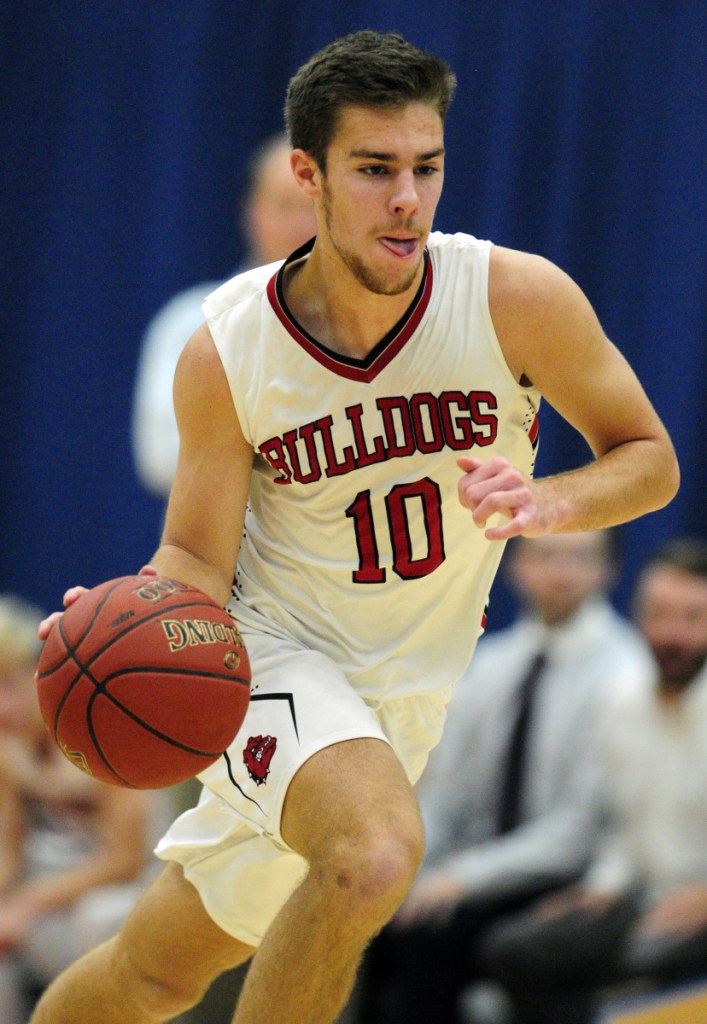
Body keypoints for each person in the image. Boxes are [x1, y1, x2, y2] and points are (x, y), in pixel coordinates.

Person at [30, 29, 678, 1024]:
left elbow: (648, 457)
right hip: (273, 662)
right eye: (374, 170)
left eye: (425, 167)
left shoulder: (515, 298)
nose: (406, 200)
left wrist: (554, 502)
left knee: (156, 970)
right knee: (374, 852)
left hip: (401, 701)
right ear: (310, 174)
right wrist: (131, 614)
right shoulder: (228, 346)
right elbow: (198, 552)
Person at [357, 530, 653, 1024]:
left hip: (568, 875)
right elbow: (450, 795)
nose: (562, 571)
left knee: (433, 935)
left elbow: (577, 831)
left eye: (580, 558)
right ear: (516, 566)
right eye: (547, 555)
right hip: (479, 864)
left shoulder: (625, 674)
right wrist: (405, 865)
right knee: (372, 917)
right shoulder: (491, 664)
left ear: (609, 572)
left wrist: (463, 879)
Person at [476, 537, 707, 1024]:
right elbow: (627, 830)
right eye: (660, 613)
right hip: (643, 897)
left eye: (692, 617)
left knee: (653, 965)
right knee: (515, 949)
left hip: (699, 904)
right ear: (638, 613)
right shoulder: (622, 705)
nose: (673, 634)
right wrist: (598, 889)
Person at [0, 595, 161, 1024]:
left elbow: (125, 861)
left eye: (7, 686)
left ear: (38, 677)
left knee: (100, 920)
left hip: (119, 886)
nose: (1, 707)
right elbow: (11, 852)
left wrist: (28, 903)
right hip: (49, 882)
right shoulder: (10, 750)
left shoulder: (103, 734)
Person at [132, 132, 317, 501]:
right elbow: (162, 457)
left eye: (313, 207)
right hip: (225, 549)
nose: (300, 227)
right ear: (253, 212)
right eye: (284, 206)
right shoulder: (193, 320)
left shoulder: (371, 325)